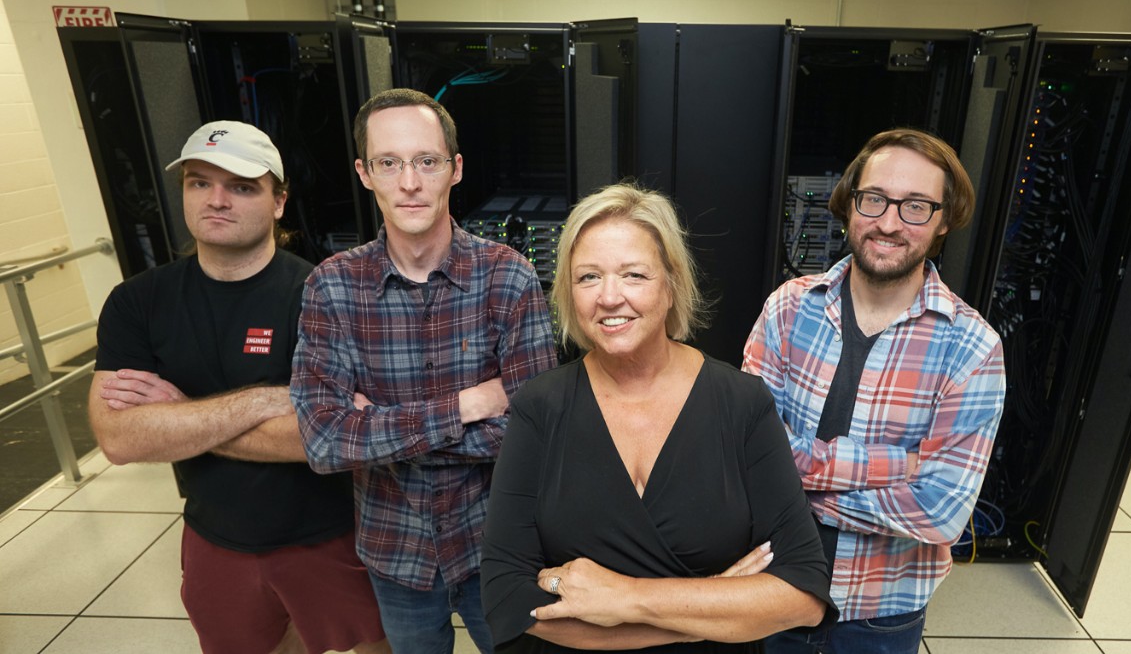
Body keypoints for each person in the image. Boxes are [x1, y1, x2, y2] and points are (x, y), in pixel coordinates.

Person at [481, 183, 834, 653]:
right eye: (588, 277)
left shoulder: (742, 403)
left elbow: (802, 593)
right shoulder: (540, 406)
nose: (608, 297)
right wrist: (700, 617)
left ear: (671, 285)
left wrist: (626, 598)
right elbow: (507, 595)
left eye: (633, 275)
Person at [88, 121, 387, 654]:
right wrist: (272, 398)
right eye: (199, 182)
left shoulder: (325, 295)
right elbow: (119, 439)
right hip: (214, 537)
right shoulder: (137, 302)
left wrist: (180, 418)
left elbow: (332, 438)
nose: (217, 200)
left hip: (332, 536)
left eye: (243, 186)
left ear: (278, 201)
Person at [290, 88, 557, 654]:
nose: (409, 182)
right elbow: (326, 443)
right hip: (396, 549)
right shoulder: (331, 287)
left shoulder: (508, 277)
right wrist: (467, 406)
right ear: (365, 173)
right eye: (389, 163)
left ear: (454, 169)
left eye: (427, 161)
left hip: (500, 545)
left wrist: (380, 426)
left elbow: (537, 436)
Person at [742, 128, 1006, 654]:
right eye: (875, 199)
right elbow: (744, 452)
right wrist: (896, 465)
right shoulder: (787, 309)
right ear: (849, 204)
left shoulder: (972, 347)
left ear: (944, 220)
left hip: (878, 617)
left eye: (916, 206)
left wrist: (796, 487)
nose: (888, 223)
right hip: (770, 587)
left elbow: (940, 511)